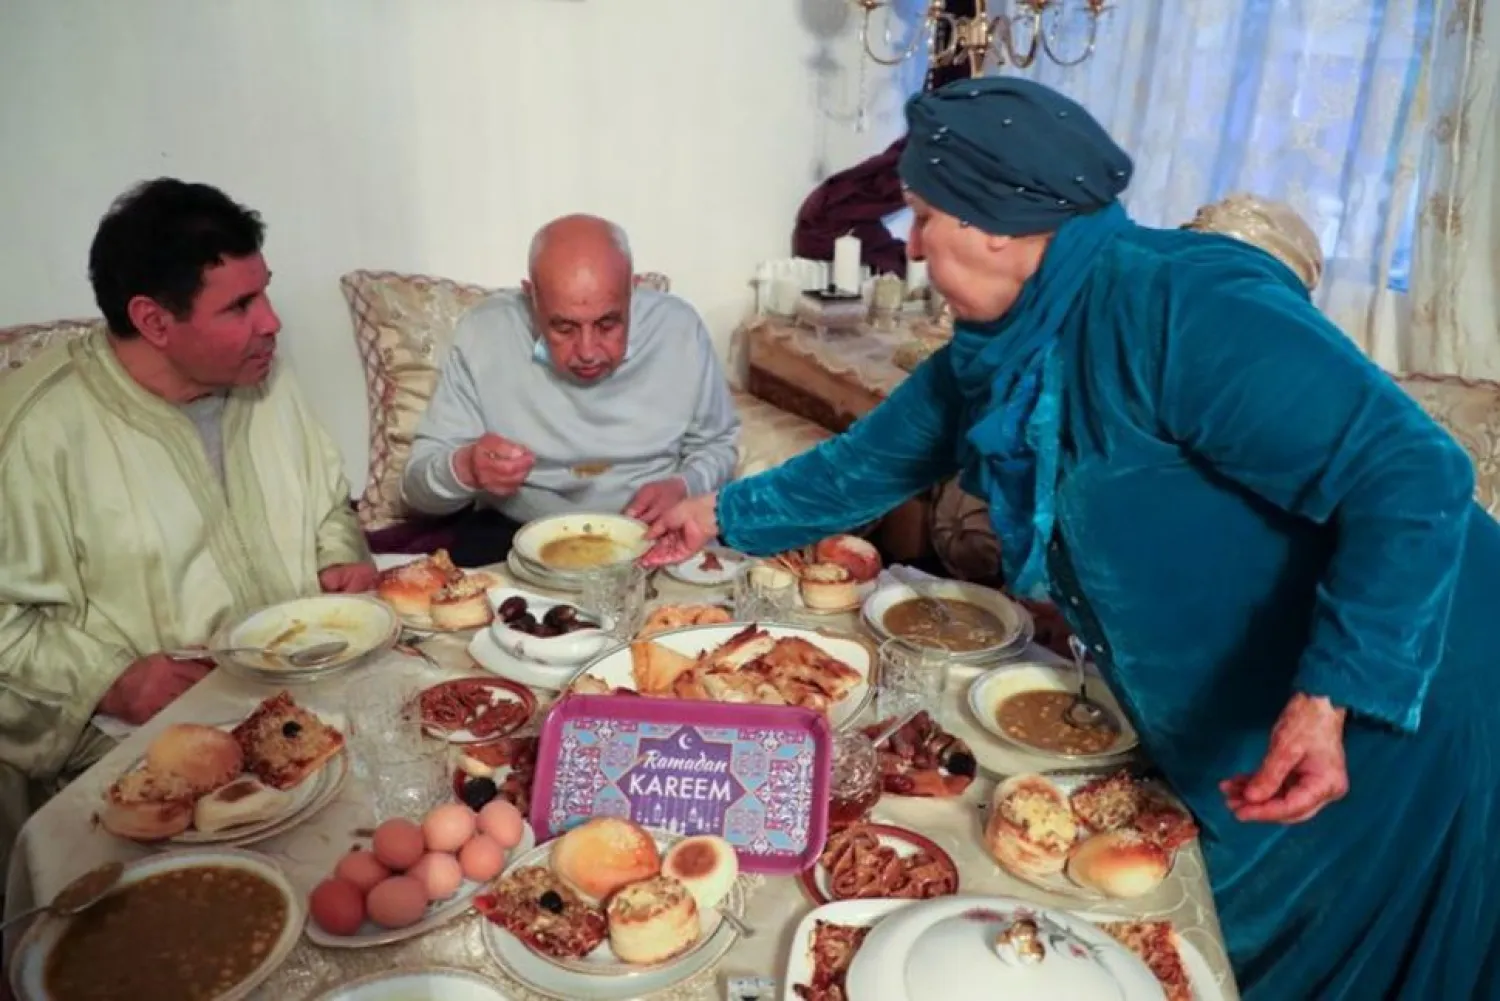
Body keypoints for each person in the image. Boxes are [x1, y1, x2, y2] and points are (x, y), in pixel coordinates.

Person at [642, 78, 1500, 1000]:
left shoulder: (1178, 301)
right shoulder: (998, 338)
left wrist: (1331, 693)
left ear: (1000, 223)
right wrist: (720, 515)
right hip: (1243, 694)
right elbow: (866, 462)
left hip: (1394, 679)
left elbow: (1415, 474)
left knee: (1324, 949)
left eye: (926, 215)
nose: (915, 243)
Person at [0, 179, 375, 879]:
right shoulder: (34, 431)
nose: (272, 323)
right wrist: (111, 680)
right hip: (139, 754)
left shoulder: (262, 375)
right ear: (153, 319)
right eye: (239, 305)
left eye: (264, 291)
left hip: (305, 708)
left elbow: (328, 500)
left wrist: (338, 557)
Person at [401, 214, 739, 566]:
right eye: (563, 327)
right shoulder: (485, 332)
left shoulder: (679, 329)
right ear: (532, 298)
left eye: (608, 324)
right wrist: (466, 467)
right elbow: (416, 490)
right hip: (517, 531)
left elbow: (718, 445)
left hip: (652, 530)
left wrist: (684, 486)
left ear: (632, 290)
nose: (588, 352)